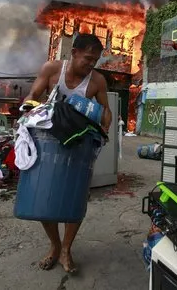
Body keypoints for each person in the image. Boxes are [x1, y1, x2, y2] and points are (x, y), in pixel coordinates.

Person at [22, 33, 111, 273]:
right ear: (73, 52)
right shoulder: (52, 69)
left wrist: (104, 128)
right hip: (47, 143)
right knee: (44, 194)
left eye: (95, 60)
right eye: (88, 58)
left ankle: (66, 250)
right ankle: (54, 245)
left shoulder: (97, 81)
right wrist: (27, 112)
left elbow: (105, 112)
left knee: (75, 197)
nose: (91, 64)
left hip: (79, 146)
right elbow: (32, 96)